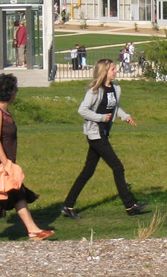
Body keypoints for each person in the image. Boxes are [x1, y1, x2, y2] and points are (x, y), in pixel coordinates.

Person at [60, 59, 148, 220]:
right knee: (118, 167)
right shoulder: (95, 90)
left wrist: (125, 117)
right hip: (95, 134)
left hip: (104, 133)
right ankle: (130, 206)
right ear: (105, 72)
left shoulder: (115, 88)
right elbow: (83, 110)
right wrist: (100, 118)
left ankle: (68, 205)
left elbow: (114, 107)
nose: (116, 71)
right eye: (113, 69)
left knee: (88, 171)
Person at [0, 74, 52, 243]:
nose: (16, 93)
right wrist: (6, 162)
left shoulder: (4, 111)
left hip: (2, 161)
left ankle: (32, 230)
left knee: (17, 192)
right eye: (15, 90)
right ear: (9, 92)